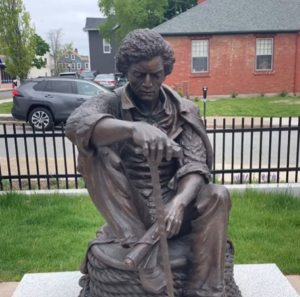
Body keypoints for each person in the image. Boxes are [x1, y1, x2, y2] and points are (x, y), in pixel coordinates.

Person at [65, 28, 231, 297]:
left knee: (218, 194)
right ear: (125, 71)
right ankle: (145, 254)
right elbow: (76, 125)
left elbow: (197, 165)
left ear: (165, 71)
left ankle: (204, 290)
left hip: (176, 209)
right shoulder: (110, 102)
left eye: (156, 75)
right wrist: (132, 129)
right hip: (130, 209)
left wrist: (178, 203)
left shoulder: (184, 110)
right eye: (138, 74)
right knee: (95, 153)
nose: (147, 83)